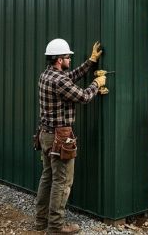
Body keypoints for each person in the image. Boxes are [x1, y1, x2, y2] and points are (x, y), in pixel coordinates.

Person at [34, 38, 106, 234]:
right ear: (59, 59)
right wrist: (97, 83)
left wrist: (90, 62)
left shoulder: (46, 75)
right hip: (60, 138)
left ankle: (41, 221)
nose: (69, 60)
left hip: (45, 135)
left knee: (48, 177)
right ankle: (56, 226)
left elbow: (71, 76)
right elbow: (84, 96)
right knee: (63, 181)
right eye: (67, 57)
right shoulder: (60, 81)